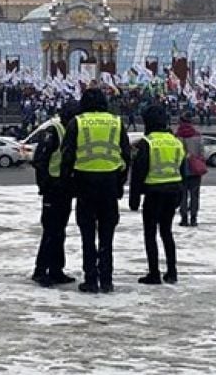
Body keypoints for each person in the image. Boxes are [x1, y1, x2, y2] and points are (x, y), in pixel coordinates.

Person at [60, 88, 131, 294]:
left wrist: (68, 186)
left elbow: (67, 157)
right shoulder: (116, 123)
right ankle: (107, 279)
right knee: (107, 236)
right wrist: (119, 184)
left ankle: (90, 279)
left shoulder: (77, 122)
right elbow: (126, 157)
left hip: (84, 184)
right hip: (109, 184)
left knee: (88, 235)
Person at [129, 105, 184, 285]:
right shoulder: (175, 142)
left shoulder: (148, 142)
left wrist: (134, 200)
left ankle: (154, 273)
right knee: (167, 232)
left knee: (150, 233)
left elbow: (138, 173)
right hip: (173, 191)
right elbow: (182, 169)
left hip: (153, 193)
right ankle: (172, 272)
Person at [31, 101, 79, 288]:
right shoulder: (54, 130)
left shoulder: (70, 129)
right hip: (53, 187)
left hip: (65, 188)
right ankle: (41, 271)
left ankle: (56, 269)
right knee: (51, 231)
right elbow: (40, 160)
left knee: (59, 231)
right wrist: (45, 186)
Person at [176, 112, 205, 227]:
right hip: (195, 169)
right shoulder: (197, 136)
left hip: (182, 169)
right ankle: (193, 218)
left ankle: (184, 219)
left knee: (182, 195)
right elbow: (202, 153)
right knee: (195, 195)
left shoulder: (177, 135)